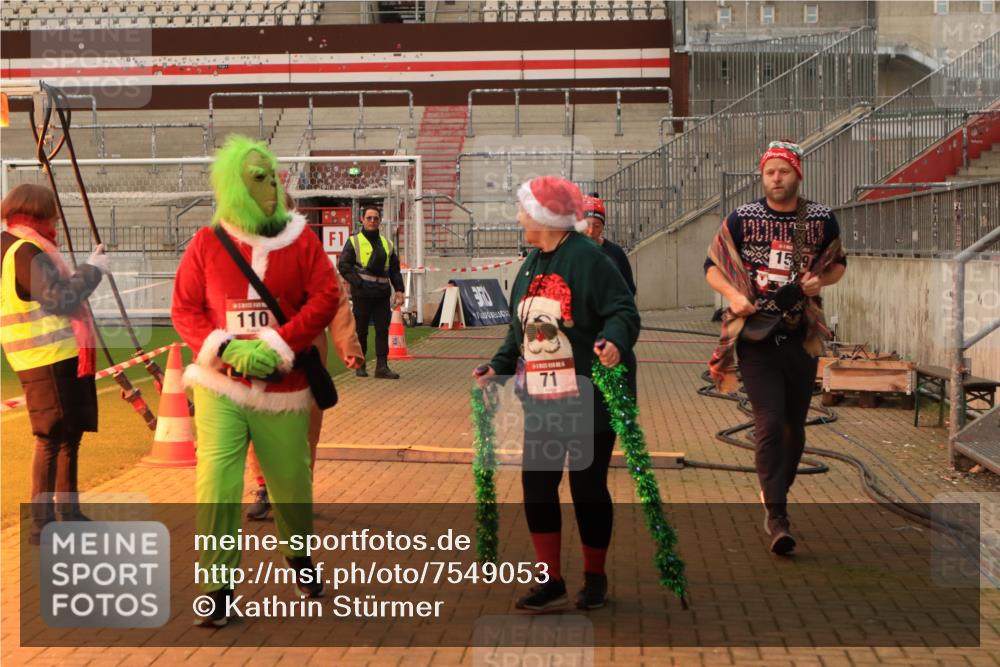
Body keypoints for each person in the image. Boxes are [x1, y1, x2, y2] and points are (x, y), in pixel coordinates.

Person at [172, 136, 340, 627]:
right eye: (258, 178)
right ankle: (217, 588)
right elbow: (184, 308)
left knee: (290, 483)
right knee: (217, 485)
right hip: (220, 386)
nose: (271, 186)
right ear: (233, 187)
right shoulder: (206, 242)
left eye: (272, 175)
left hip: (284, 391)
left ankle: (300, 557)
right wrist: (225, 348)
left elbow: (326, 296)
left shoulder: (302, 241)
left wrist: (280, 345)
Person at [474, 176, 640, 611]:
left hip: (589, 397)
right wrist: (498, 365)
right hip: (544, 399)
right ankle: (551, 580)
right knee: (538, 486)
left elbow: (622, 309)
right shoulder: (530, 264)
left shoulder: (589, 259)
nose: (518, 217)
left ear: (546, 216)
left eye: (524, 210)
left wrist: (615, 342)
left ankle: (595, 577)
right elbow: (520, 332)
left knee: (587, 488)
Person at [703, 140, 847, 555]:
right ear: (762, 176)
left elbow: (838, 263)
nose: (777, 178)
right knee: (768, 420)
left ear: (797, 174)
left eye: (784, 171)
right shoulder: (741, 218)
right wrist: (733, 295)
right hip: (756, 337)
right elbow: (712, 267)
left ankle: (775, 490)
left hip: (800, 336)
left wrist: (823, 281)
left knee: (794, 427)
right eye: (770, 172)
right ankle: (777, 516)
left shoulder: (820, 218)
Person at [245, 195, 366, 521]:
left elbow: (336, 298)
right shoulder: (244, 249)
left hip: (304, 353)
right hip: (259, 350)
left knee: (304, 426)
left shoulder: (310, 253)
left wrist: (348, 346)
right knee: (257, 420)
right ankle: (264, 487)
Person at [1, 183, 108, 545]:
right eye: (52, 217)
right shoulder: (25, 250)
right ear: (37, 214)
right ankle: (43, 522)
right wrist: (91, 270)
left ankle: (65, 513)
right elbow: (59, 299)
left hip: (48, 355)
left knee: (67, 436)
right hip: (46, 356)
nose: (55, 225)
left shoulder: (12, 245)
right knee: (51, 438)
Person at [337, 205, 405, 380]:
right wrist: (358, 282)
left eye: (375, 218)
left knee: (383, 330)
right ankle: (361, 365)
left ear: (380, 221)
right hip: (362, 294)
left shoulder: (387, 244)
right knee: (361, 330)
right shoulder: (354, 241)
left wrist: (399, 290)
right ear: (362, 220)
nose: (372, 221)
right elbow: (344, 266)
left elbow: (394, 270)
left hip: (382, 294)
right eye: (369, 218)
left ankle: (382, 367)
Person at [583, 193, 636, 295]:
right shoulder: (570, 252)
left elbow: (629, 289)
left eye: (597, 226)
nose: (591, 231)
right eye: (586, 225)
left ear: (603, 227)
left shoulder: (615, 252)